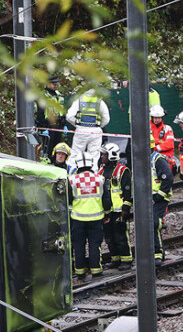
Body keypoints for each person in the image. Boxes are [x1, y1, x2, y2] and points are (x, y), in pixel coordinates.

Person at [68, 152, 110, 280]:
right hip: (96, 219)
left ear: (77, 164)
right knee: (95, 245)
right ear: (92, 163)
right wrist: (107, 214)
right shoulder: (100, 179)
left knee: (79, 246)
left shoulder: (71, 180)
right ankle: (96, 270)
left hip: (77, 219)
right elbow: (106, 200)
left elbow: (68, 200)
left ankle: (80, 272)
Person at [98, 143, 133, 271]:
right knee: (109, 237)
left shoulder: (122, 171)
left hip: (119, 211)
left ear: (111, 155)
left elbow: (128, 191)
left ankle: (126, 260)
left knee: (121, 236)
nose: (102, 156)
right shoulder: (101, 170)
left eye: (104, 154)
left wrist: (126, 208)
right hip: (107, 211)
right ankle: (115, 259)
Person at [65, 89, 110, 171]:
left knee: (76, 154)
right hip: (96, 131)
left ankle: (72, 174)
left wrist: (77, 124)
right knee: (94, 156)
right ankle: (93, 175)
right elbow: (106, 119)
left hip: (81, 130)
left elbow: (69, 116)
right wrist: (98, 126)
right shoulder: (100, 102)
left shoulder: (79, 100)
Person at [150, 135, 174, 267]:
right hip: (147, 198)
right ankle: (149, 253)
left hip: (158, 198)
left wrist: (158, 196)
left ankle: (158, 254)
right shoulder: (140, 159)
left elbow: (168, 178)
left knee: (154, 223)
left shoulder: (157, 159)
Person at [36, 76, 66, 162]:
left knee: (57, 148)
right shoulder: (43, 95)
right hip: (48, 125)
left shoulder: (58, 95)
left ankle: (55, 163)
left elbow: (62, 110)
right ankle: (46, 162)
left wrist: (64, 124)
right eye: (53, 84)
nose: (55, 85)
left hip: (58, 125)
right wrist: (43, 126)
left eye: (57, 84)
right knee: (47, 148)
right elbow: (40, 112)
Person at [149, 104, 176, 170]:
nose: (157, 120)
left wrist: (154, 148)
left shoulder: (167, 128)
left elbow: (170, 144)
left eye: (159, 117)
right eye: (155, 117)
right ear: (152, 117)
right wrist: (159, 142)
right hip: (150, 159)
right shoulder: (147, 128)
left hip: (166, 160)